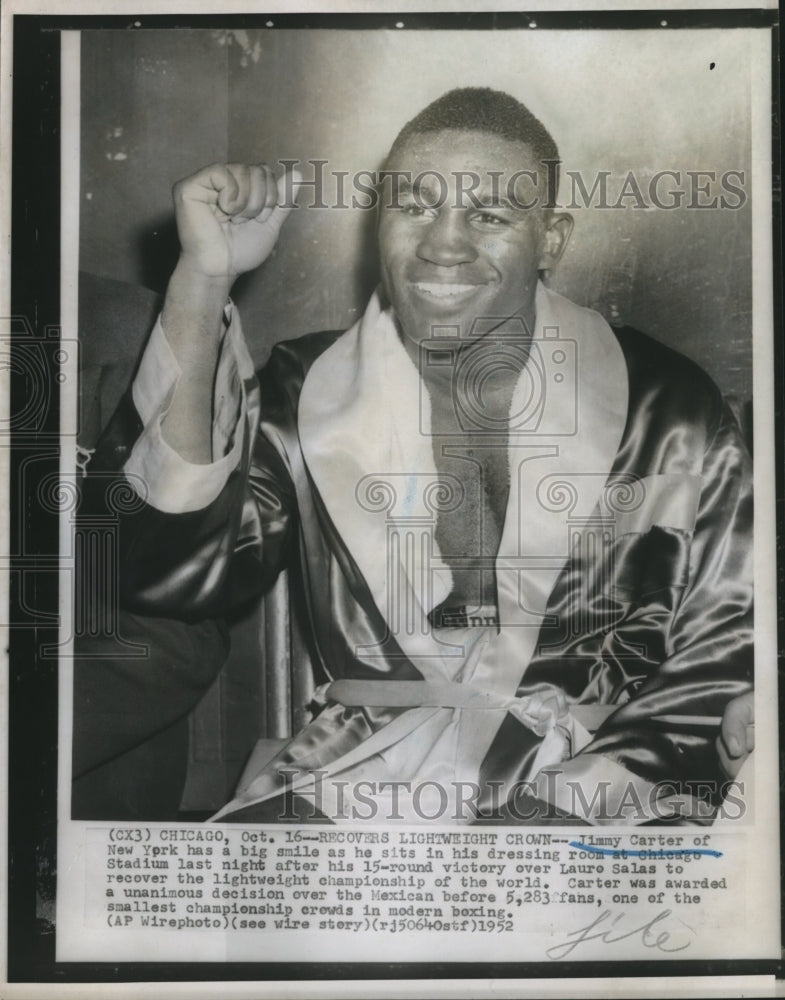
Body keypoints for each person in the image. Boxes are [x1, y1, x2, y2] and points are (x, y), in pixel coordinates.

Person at [84, 88, 753, 825]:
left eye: (489, 215)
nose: (442, 244)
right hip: (356, 777)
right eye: (413, 206)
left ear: (551, 240)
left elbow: (727, 644)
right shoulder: (307, 390)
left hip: (597, 780)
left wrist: (564, 808)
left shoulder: (666, 403)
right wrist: (203, 278)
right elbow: (166, 574)